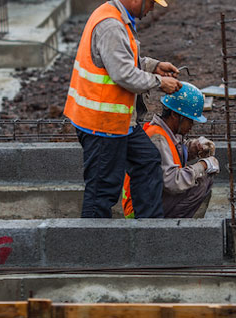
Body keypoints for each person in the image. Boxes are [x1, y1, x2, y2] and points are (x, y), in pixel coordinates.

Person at [63, 0, 182, 219]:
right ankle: (93, 245)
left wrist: (153, 65)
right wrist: (159, 82)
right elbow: (123, 74)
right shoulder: (111, 25)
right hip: (101, 124)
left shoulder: (119, 19)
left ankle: (149, 228)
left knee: (147, 161)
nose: (152, 9)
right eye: (151, 3)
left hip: (119, 123)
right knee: (102, 190)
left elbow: (121, 59)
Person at [122, 82, 220, 218]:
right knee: (201, 183)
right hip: (139, 209)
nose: (191, 125)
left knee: (202, 180)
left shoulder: (166, 133)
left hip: (149, 198)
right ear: (175, 115)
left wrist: (195, 148)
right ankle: (172, 229)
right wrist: (202, 165)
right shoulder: (158, 138)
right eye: (189, 120)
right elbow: (174, 182)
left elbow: (175, 152)